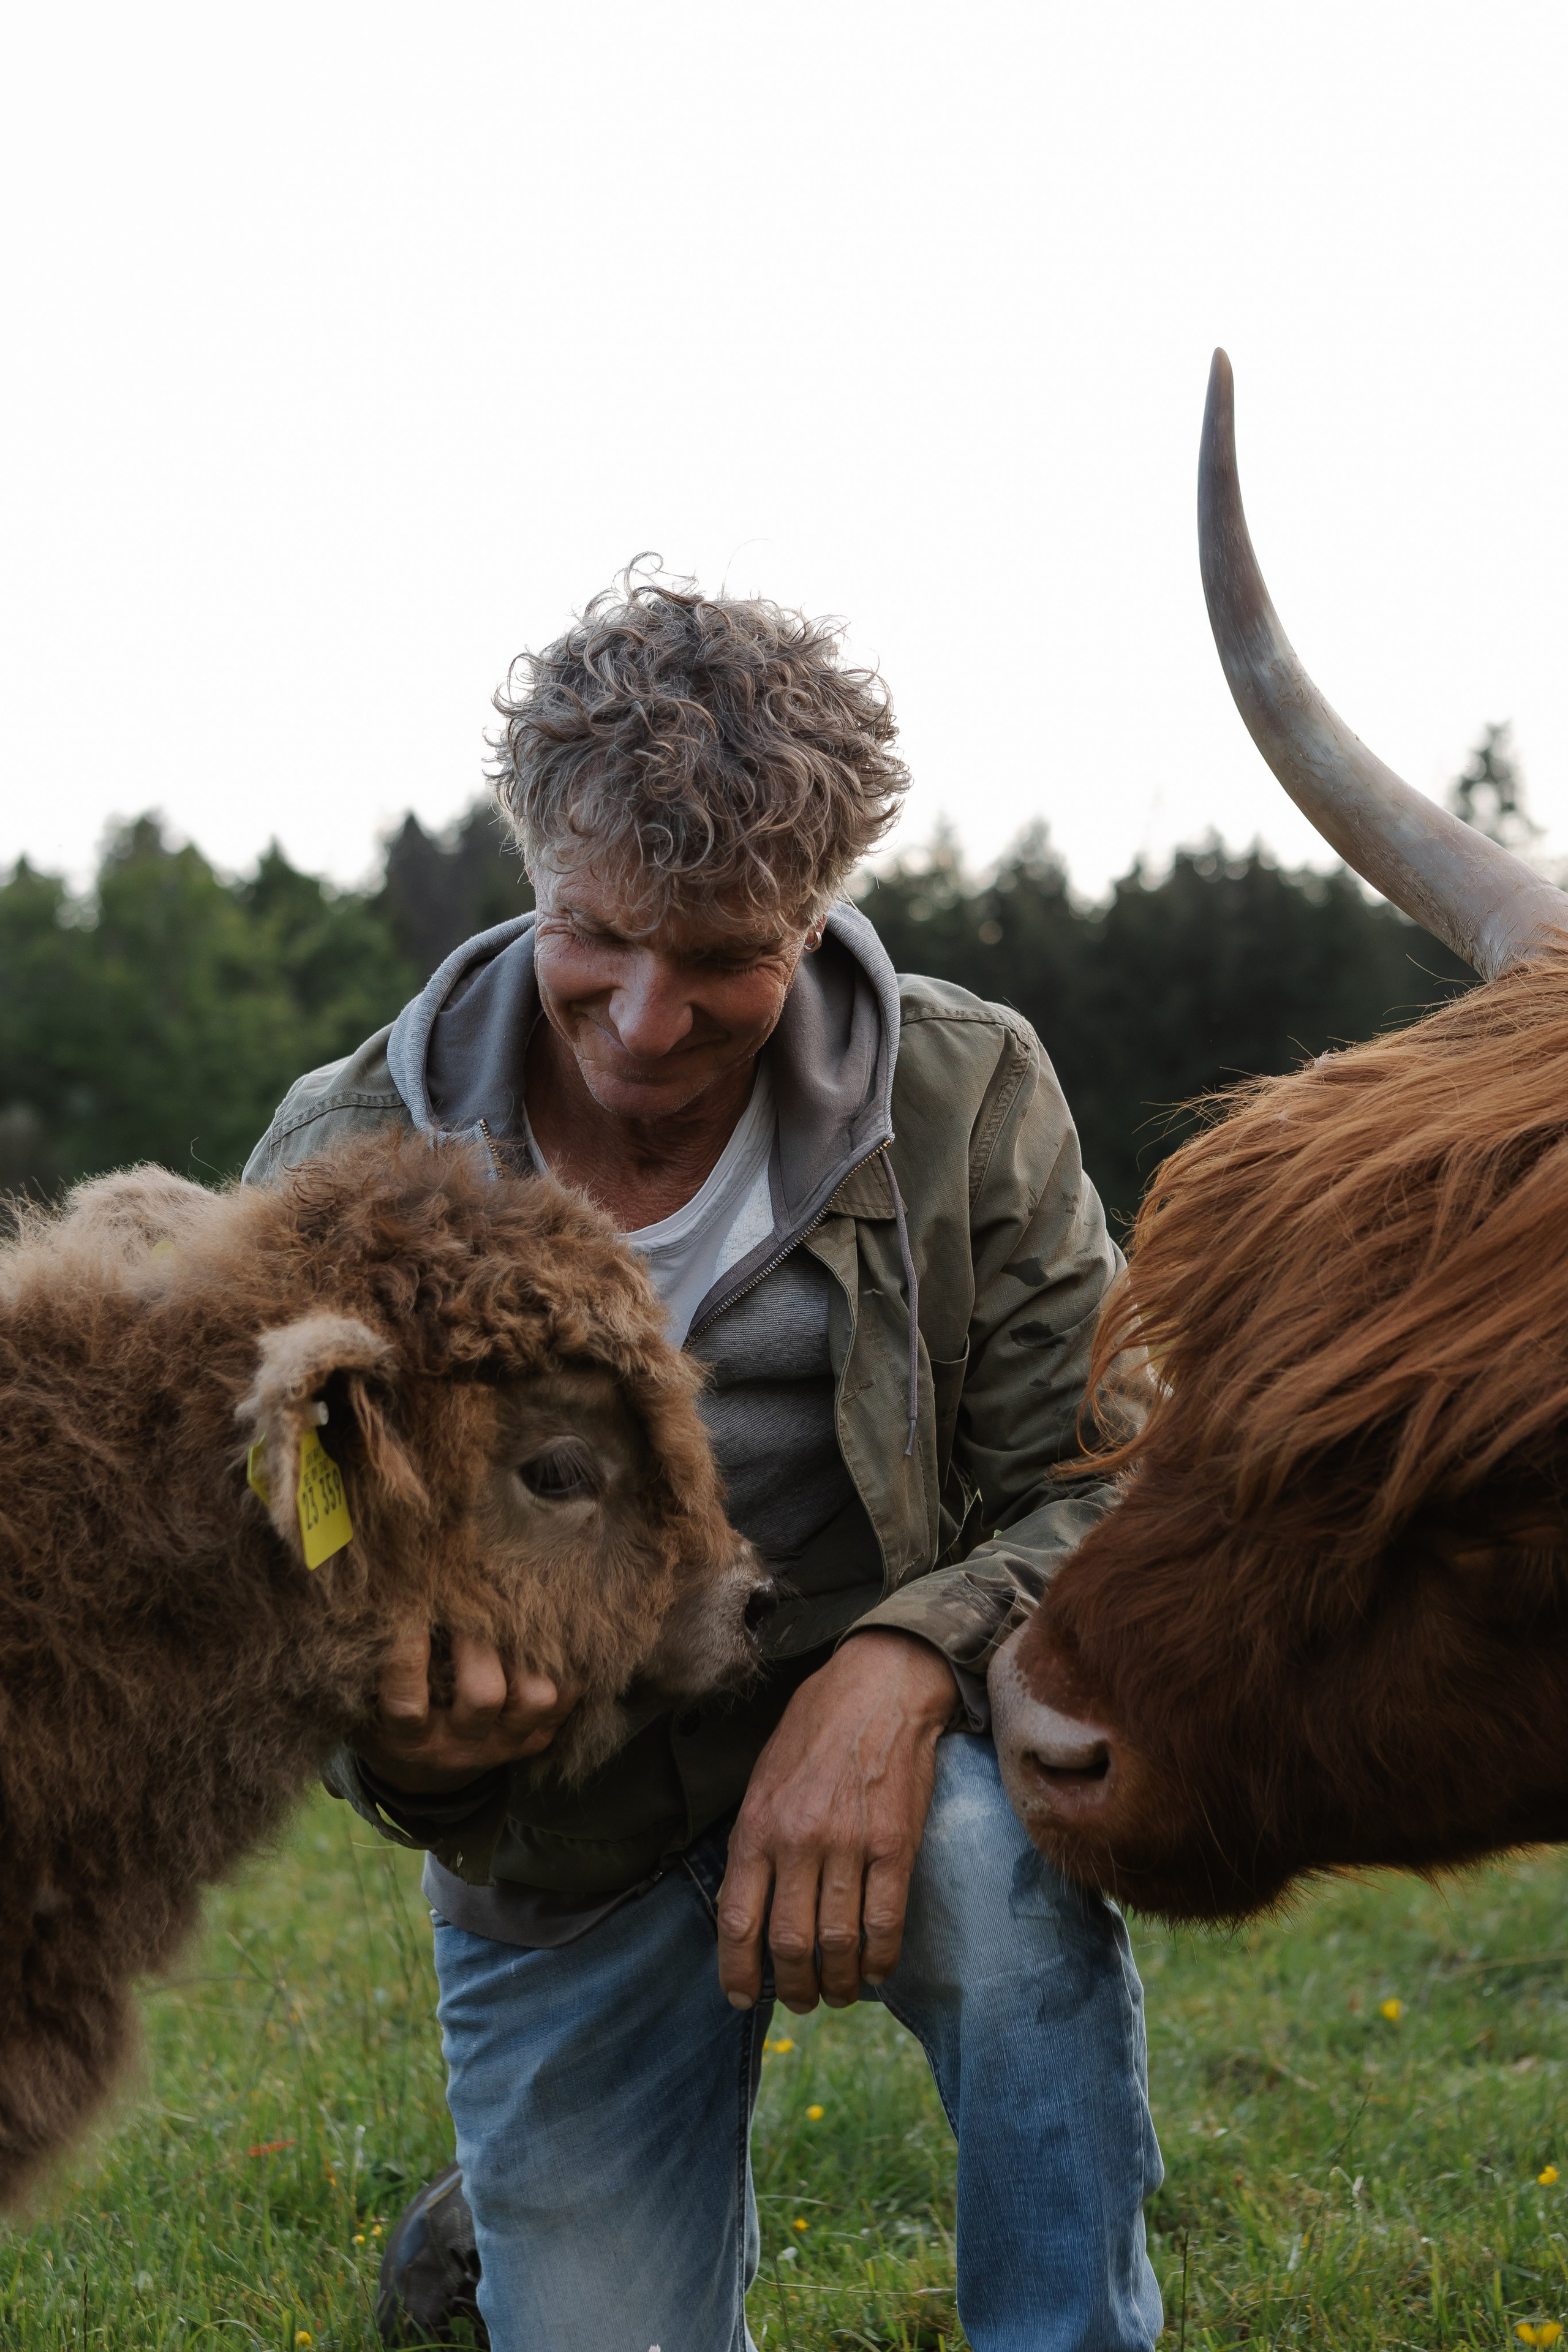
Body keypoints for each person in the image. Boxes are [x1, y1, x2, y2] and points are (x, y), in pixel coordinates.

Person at [245, 570, 1163, 2352]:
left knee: (1009, 1864)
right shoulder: (342, 1159)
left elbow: (1117, 1483)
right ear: (530, 870)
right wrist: (413, 1752)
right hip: (561, 1847)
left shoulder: (969, 1093)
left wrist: (903, 1663)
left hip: (908, 1771)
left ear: (817, 920)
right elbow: (282, 1572)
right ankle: (535, 2217)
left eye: (729, 957)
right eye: (597, 937)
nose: (648, 1022)